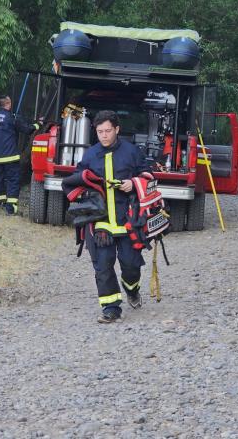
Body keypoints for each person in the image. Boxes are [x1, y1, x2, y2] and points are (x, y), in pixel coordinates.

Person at [68, 110, 150, 324]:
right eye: (100, 132)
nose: (104, 135)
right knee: (103, 266)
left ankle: (132, 289)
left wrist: (134, 183)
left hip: (128, 221)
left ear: (117, 129)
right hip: (100, 223)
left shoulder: (132, 152)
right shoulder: (90, 154)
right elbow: (77, 179)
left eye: (108, 131)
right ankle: (111, 308)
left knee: (131, 265)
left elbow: (148, 176)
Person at [0, 95, 41, 216]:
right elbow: (27, 129)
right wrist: (38, 125)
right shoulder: (12, 117)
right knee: (13, 182)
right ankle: (10, 210)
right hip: (11, 158)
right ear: (8, 103)